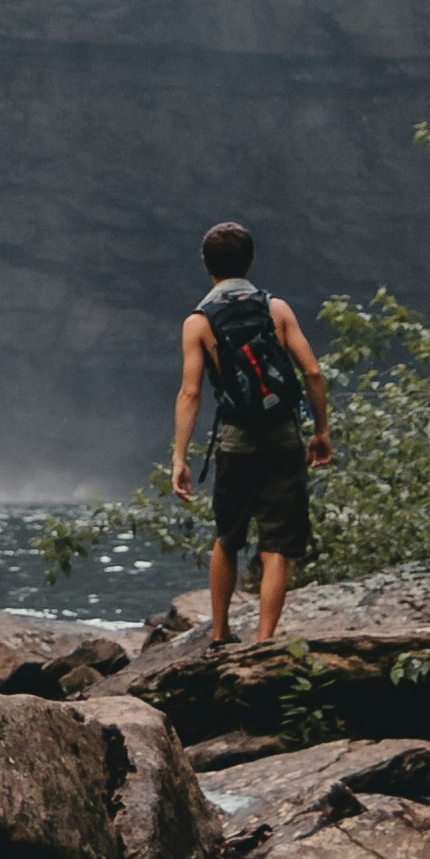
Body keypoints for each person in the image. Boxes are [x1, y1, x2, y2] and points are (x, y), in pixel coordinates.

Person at [170, 219, 335, 649]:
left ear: (206, 265)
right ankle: (264, 641)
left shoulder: (198, 321)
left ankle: (221, 632)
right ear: (251, 261)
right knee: (277, 543)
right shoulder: (276, 309)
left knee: (228, 536)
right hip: (283, 436)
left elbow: (191, 393)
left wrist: (180, 457)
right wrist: (320, 431)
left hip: (235, 440)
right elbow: (312, 371)